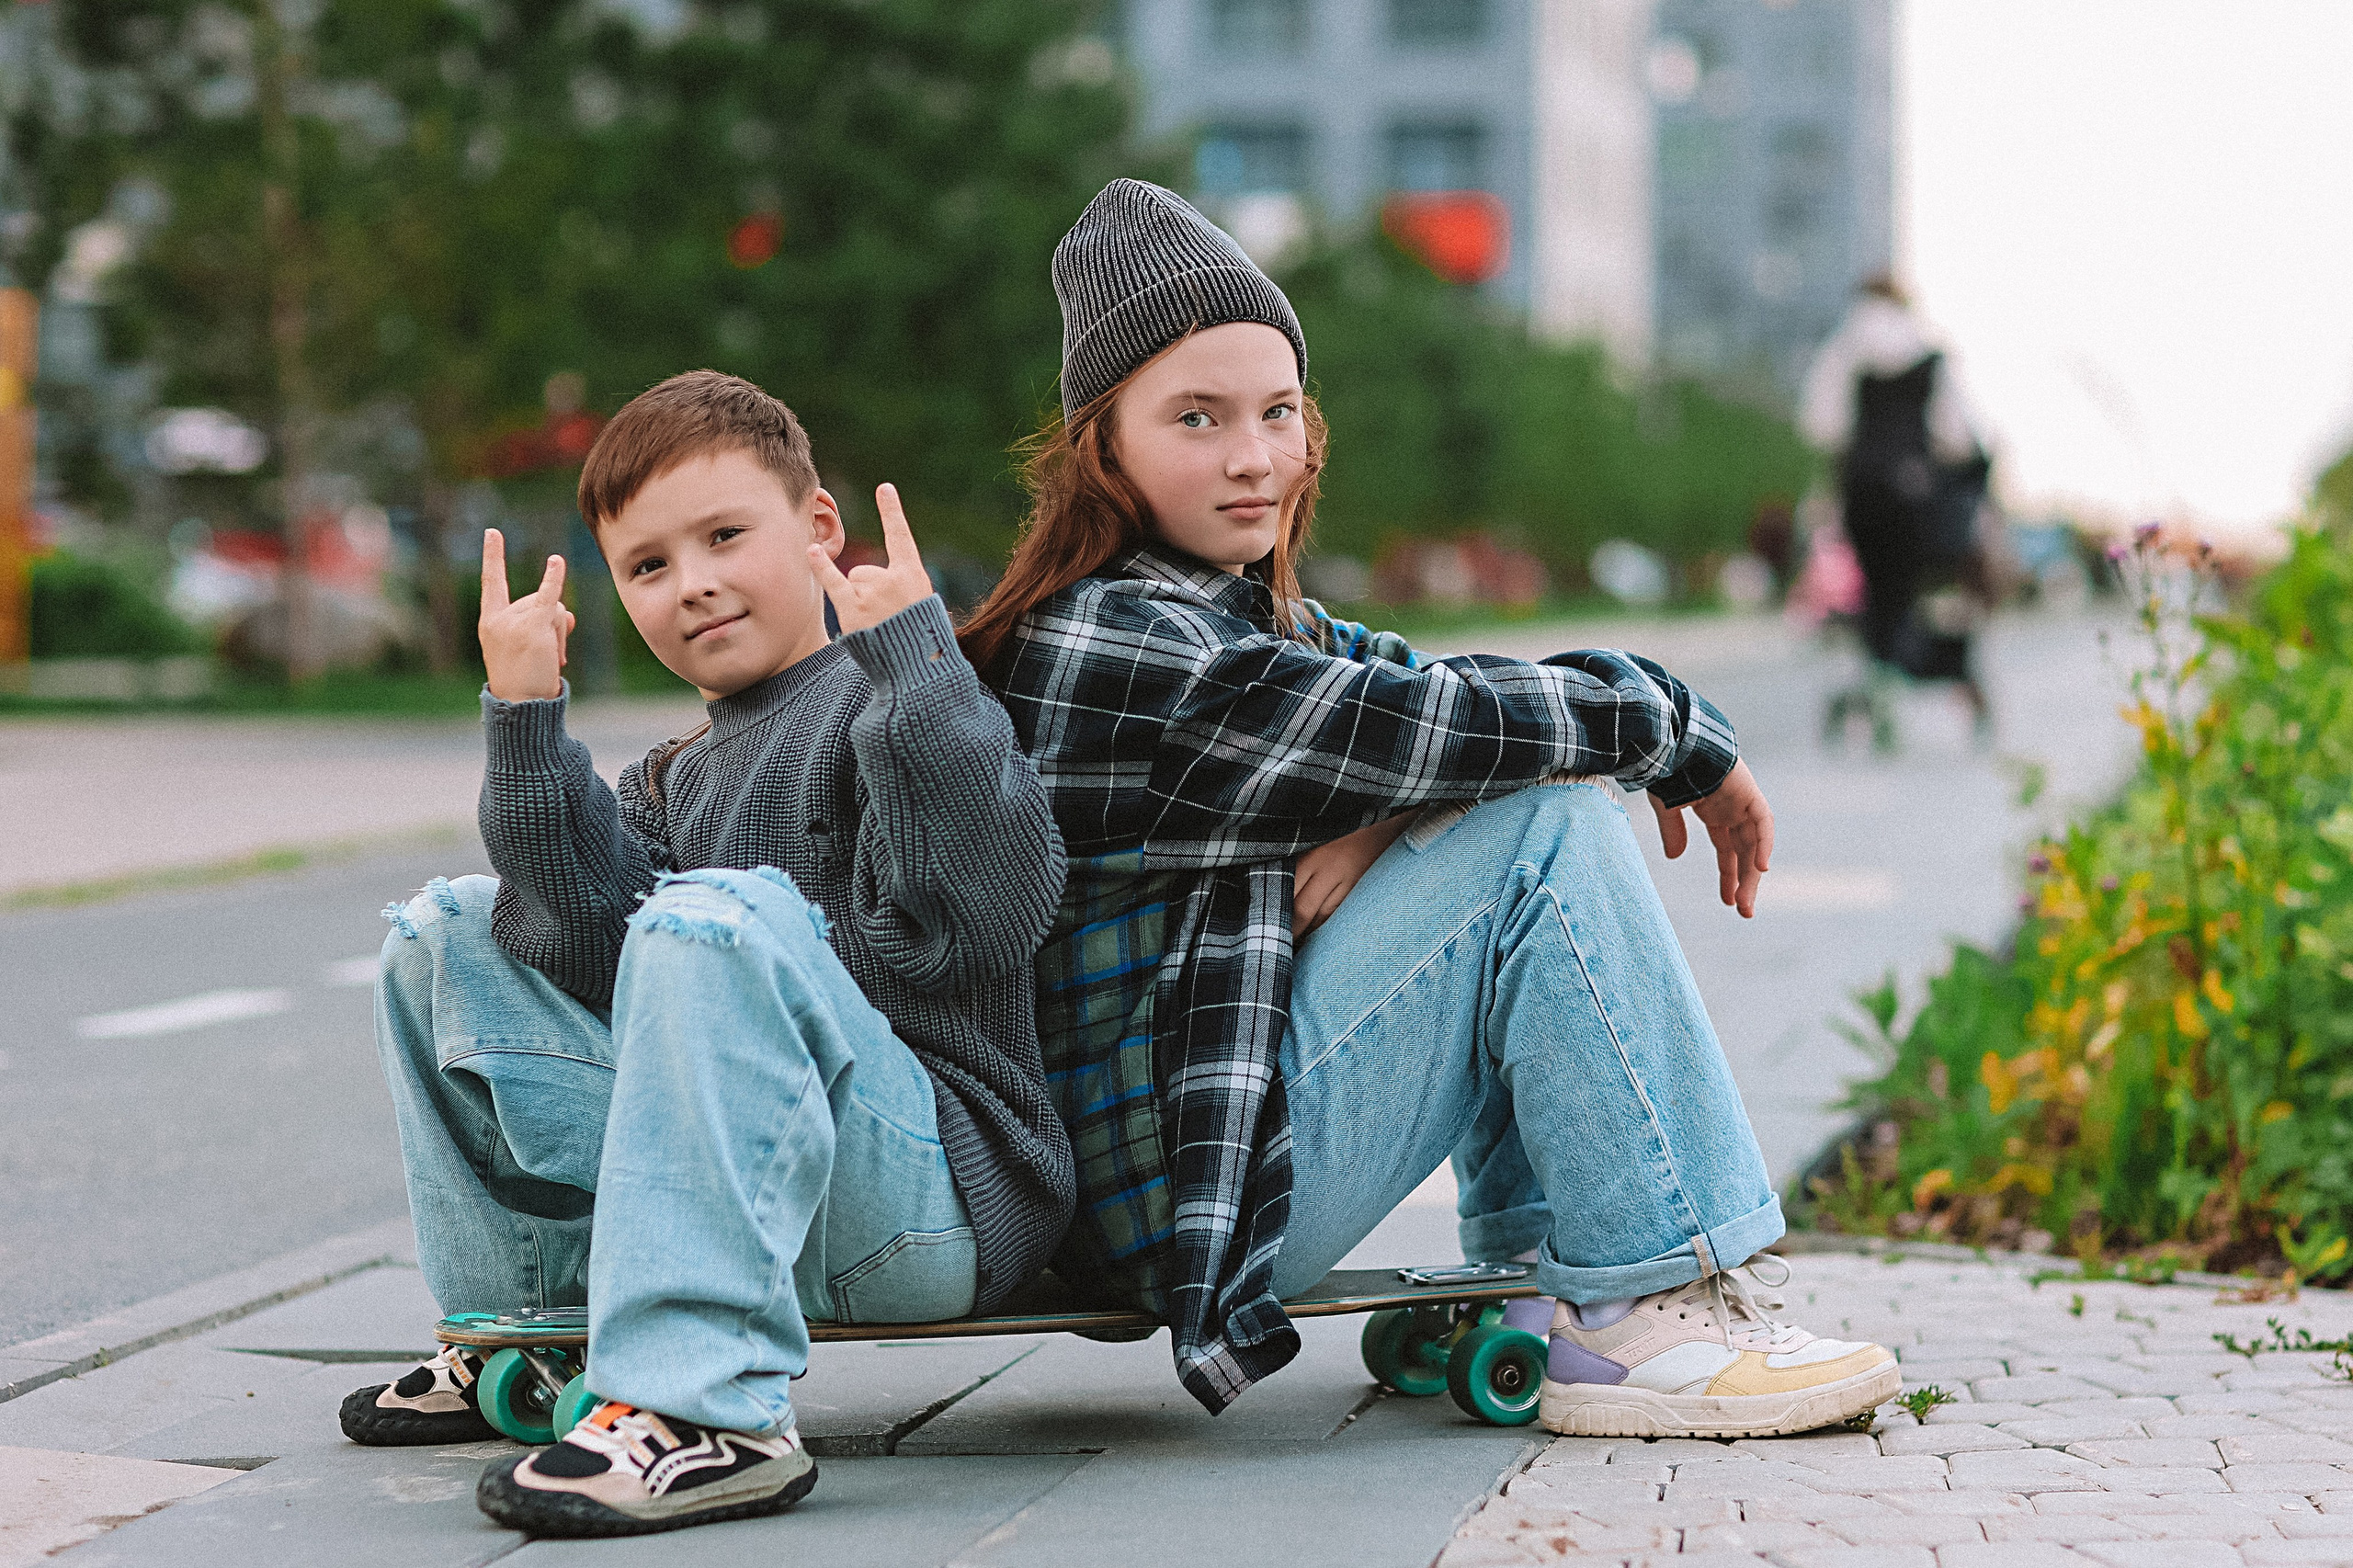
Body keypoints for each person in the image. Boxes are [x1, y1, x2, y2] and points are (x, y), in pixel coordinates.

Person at [959, 179, 1899, 1437]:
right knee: (1543, 827)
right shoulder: (1121, 642)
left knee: (1523, 786)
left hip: (1202, 1153)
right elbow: (1446, 727)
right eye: (1197, 416)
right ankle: (1653, 1303)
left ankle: (1530, 1280)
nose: (1254, 455)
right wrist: (1670, 732)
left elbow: (1423, 698)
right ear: (1104, 446)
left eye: (1277, 412)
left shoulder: (1235, 607)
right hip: (1188, 1197)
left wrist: (1388, 818)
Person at [343, 372, 1073, 1538]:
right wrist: (523, 719)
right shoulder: (675, 774)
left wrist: (917, 671)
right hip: (756, 1191)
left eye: (726, 535)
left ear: (820, 528)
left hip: (927, 1199)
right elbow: (582, 952)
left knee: (718, 915)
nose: (694, 583)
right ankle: (527, 1327)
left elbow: (981, 918)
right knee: (446, 932)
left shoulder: (900, 696)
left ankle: (711, 1412)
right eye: (647, 565)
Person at [1799, 276, 1998, 749]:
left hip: (1862, 496)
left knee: (1878, 598)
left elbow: (1822, 426)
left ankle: (1880, 684)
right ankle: (1919, 673)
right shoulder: (1928, 356)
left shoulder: (1844, 351)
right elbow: (1956, 436)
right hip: (1916, 499)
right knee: (1905, 596)